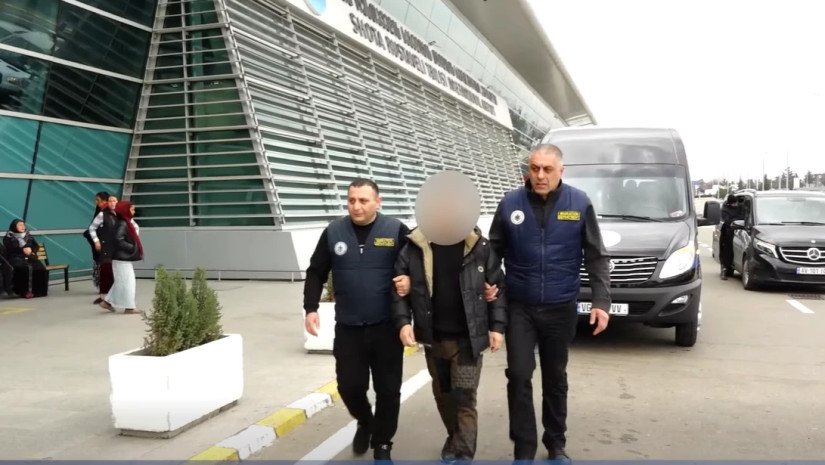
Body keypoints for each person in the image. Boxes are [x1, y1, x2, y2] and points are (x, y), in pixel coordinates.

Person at [489, 143, 612, 462]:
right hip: (520, 306)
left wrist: (601, 301)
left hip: (561, 306)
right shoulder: (510, 203)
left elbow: (596, 255)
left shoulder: (578, 203)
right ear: (528, 170)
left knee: (555, 376)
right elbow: (493, 252)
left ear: (561, 171)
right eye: (534, 168)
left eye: (547, 169)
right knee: (519, 374)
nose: (540, 175)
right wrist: (489, 284)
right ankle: (523, 448)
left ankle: (556, 441)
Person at [302, 178, 410, 461]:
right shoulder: (334, 232)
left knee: (388, 390)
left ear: (378, 202)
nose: (356, 206)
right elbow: (315, 271)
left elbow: (416, 265)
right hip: (349, 328)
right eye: (351, 200)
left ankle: (383, 444)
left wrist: (410, 281)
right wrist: (311, 308)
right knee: (349, 386)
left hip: (387, 327)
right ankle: (365, 420)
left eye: (363, 200)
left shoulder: (396, 230)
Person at [393, 221, 506, 462]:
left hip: (467, 339)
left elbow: (497, 286)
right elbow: (398, 289)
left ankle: (463, 453)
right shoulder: (415, 245)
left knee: (464, 397)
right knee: (444, 396)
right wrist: (403, 322)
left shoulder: (478, 246)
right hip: (433, 338)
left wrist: (497, 327)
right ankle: (455, 438)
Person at [98, 200, 143, 314]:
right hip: (121, 258)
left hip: (121, 258)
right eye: (132, 209)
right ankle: (130, 307)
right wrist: (132, 247)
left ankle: (107, 302)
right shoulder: (123, 223)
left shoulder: (124, 222)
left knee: (121, 281)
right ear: (125, 210)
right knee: (128, 282)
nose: (134, 211)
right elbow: (118, 239)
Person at [3, 219, 49, 298]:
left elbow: (36, 246)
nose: (23, 227)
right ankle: (24, 292)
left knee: (40, 268)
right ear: (14, 226)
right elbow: (10, 248)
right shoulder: (9, 237)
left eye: (23, 225)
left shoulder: (28, 236)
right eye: (20, 225)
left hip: (29, 256)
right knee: (23, 268)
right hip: (16, 257)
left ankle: (39, 291)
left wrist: (31, 250)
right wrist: (22, 250)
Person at [89, 195, 118, 304]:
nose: (112, 203)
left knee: (115, 271)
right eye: (110, 201)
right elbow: (92, 228)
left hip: (117, 247)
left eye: (114, 201)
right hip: (106, 246)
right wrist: (96, 241)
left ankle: (113, 295)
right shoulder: (102, 214)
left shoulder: (120, 214)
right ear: (107, 203)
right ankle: (103, 296)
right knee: (106, 270)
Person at [84, 191, 110, 299]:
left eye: (98, 200)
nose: (96, 202)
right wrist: (96, 240)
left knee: (104, 263)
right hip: (99, 243)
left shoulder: (108, 211)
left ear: (105, 201)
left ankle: (105, 288)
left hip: (105, 242)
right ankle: (103, 288)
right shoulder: (100, 211)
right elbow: (92, 227)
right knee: (100, 262)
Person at [719, 194, 743, 280]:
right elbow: (727, 221)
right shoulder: (725, 209)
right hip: (727, 232)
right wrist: (736, 220)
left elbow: (743, 217)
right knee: (726, 252)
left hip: (738, 230)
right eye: (733, 203)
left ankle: (730, 267)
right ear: (729, 203)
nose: (735, 205)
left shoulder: (740, 207)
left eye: (736, 203)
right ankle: (724, 270)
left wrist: (736, 219)